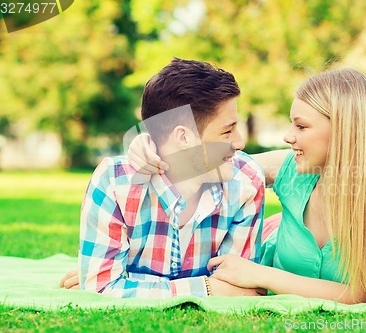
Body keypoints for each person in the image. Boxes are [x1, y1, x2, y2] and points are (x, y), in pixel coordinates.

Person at [129, 67, 366, 304]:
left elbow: (365, 293)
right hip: (263, 248)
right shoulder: (291, 170)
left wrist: (261, 276)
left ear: (345, 129)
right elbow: (209, 160)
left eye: (301, 126)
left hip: (259, 270)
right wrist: (150, 144)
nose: (288, 136)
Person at [60, 58, 266, 298]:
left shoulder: (246, 181)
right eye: (227, 131)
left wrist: (129, 281)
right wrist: (207, 288)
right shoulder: (115, 183)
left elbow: (242, 288)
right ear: (183, 137)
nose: (240, 142)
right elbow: (101, 288)